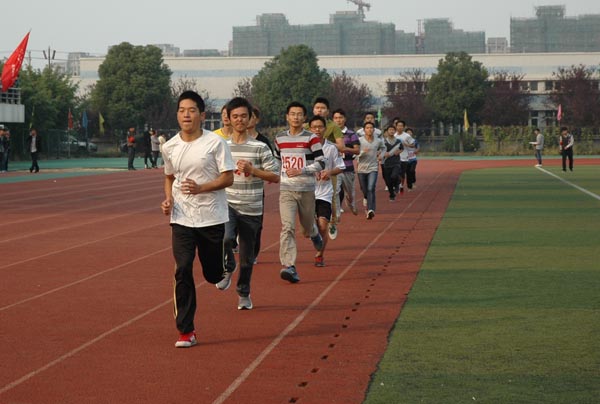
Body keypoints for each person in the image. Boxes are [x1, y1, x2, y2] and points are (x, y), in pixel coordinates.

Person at [160, 90, 234, 348]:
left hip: (211, 216)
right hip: (181, 218)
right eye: (182, 110)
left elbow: (228, 177)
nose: (186, 115)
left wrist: (201, 188)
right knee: (182, 268)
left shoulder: (215, 143)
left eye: (191, 110)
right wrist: (168, 200)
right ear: (177, 115)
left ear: (202, 115)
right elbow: (169, 177)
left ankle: (225, 263)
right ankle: (186, 330)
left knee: (212, 275)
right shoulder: (169, 146)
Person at [216, 97, 279, 310]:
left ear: (251, 118)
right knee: (225, 238)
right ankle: (228, 266)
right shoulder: (221, 146)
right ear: (228, 118)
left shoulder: (260, 147)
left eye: (244, 116)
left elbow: (275, 176)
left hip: (252, 207)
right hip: (228, 204)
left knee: (247, 258)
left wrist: (253, 170)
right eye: (235, 116)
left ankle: (243, 292)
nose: (239, 120)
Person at [274, 101, 325, 283]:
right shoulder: (279, 138)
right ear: (287, 117)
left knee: (306, 228)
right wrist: (272, 173)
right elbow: (276, 161)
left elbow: (321, 163)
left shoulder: (311, 138)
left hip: (306, 190)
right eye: (292, 114)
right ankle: (289, 266)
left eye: (299, 114)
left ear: (304, 118)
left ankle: (314, 233)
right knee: (287, 227)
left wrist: (301, 170)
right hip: (286, 190)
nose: (296, 117)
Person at [310, 115, 345, 267]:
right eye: (314, 127)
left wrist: (329, 172)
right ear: (310, 129)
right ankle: (314, 235)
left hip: (325, 192)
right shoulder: (305, 148)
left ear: (325, 129)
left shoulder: (331, 148)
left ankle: (320, 255)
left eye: (320, 127)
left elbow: (341, 166)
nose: (317, 130)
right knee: (310, 227)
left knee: (323, 226)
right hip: (308, 191)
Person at [312, 97, 344, 240]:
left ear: (328, 111)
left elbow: (341, 146)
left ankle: (332, 221)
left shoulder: (334, 127)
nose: (319, 110)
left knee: (334, 194)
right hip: (310, 179)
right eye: (317, 108)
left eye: (322, 108)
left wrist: (327, 145)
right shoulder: (306, 127)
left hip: (330, 168)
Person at [247, 106, 274, 264]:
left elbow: (271, 167)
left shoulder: (263, 142)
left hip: (255, 190)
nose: (246, 120)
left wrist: (256, 171)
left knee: (256, 224)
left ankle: (253, 253)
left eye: (250, 116)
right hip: (233, 191)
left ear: (256, 120)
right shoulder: (230, 142)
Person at [332, 108, 360, 215]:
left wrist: (345, 149)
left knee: (350, 193)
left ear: (345, 119)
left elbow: (357, 150)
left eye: (340, 118)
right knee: (335, 192)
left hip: (347, 168)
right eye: (336, 118)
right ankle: (336, 214)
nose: (338, 120)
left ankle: (351, 203)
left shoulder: (351, 134)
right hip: (335, 169)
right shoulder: (329, 135)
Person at [357, 121, 385, 219]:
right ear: (364, 130)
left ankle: (371, 209)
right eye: (367, 128)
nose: (369, 129)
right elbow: (355, 154)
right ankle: (365, 197)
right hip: (361, 168)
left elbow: (384, 148)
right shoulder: (359, 140)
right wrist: (362, 152)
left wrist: (381, 155)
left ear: (374, 130)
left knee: (371, 188)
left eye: (371, 128)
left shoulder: (378, 141)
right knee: (364, 189)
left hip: (373, 167)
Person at [381, 125, 402, 201]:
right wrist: (383, 154)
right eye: (390, 130)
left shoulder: (398, 141)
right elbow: (379, 150)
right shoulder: (383, 141)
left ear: (395, 131)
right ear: (387, 131)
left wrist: (398, 152)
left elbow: (402, 148)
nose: (391, 131)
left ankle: (397, 183)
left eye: (393, 130)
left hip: (396, 162)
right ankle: (391, 195)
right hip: (386, 163)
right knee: (388, 181)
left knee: (394, 176)